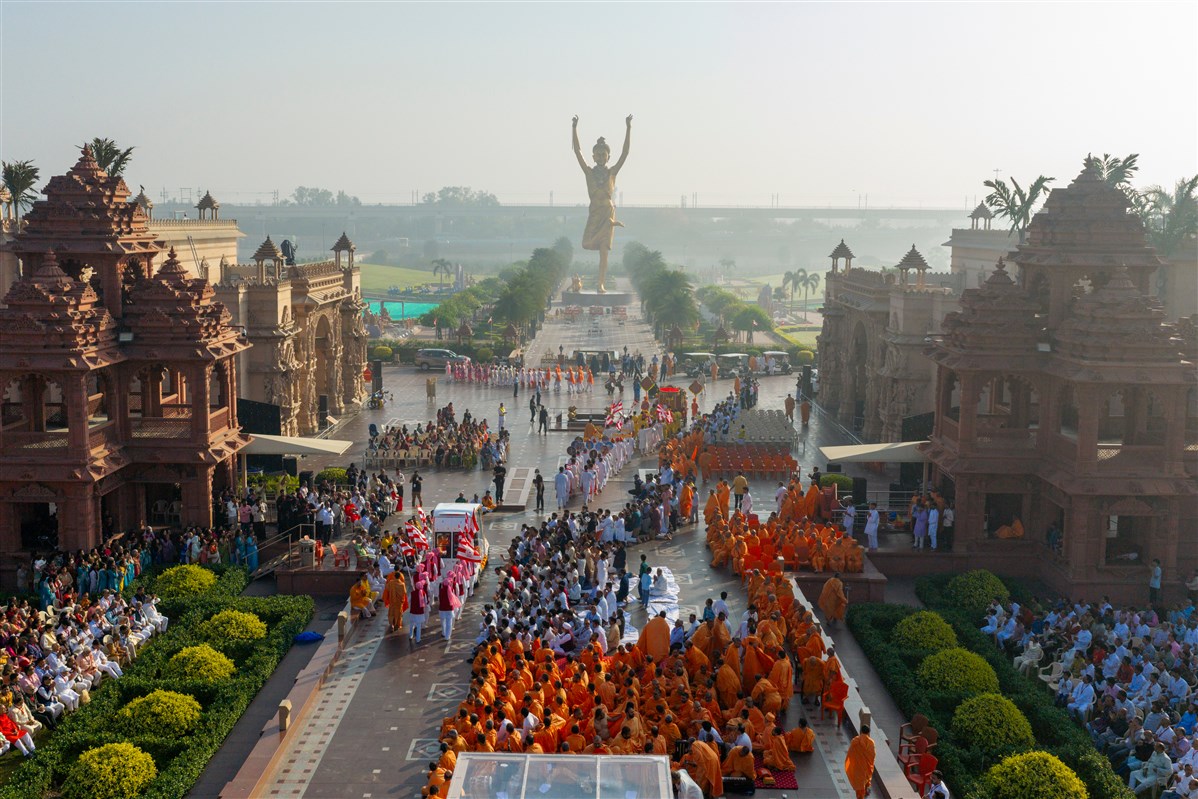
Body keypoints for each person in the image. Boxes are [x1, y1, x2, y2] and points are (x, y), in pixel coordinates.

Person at [844, 725, 876, 799]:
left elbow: (850, 753)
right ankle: (865, 790)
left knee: (859, 783)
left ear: (861, 731)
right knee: (865, 779)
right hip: (866, 766)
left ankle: (859, 796)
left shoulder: (855, 741)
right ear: (868, 732)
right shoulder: (871, 742)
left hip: (857, 765)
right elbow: (873, 755)